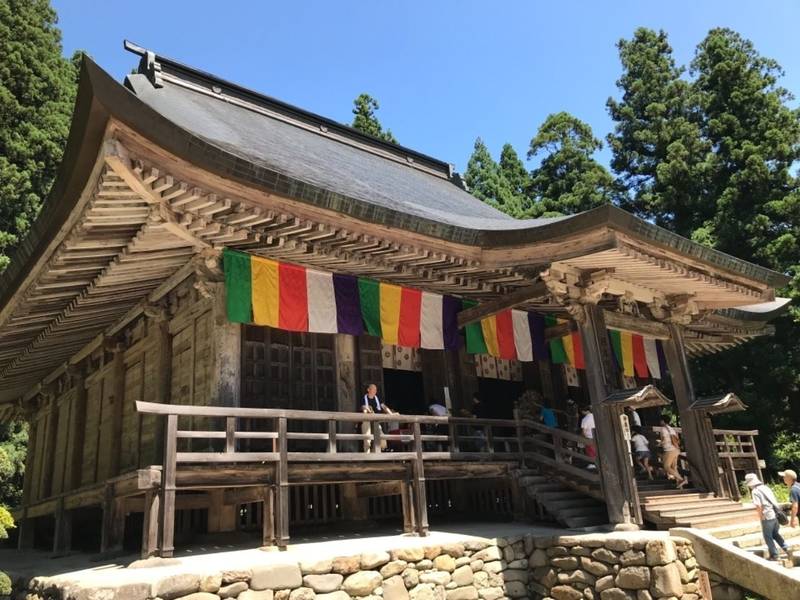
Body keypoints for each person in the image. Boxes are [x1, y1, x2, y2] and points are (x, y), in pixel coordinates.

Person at [745, 473, 792, 561]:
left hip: (767, 515)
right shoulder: (766, 488)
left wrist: (761, 516)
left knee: (768, 536)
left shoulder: (755, 491)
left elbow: (758, 506)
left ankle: (774, 555)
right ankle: (787, 549)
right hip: (775, 515)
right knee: (776, 534)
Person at [360, 383, 394, 452]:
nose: (375, 391)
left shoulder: (377, 398)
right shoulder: (364, 398)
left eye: (376, 389)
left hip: (376, 421)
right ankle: (367, 454)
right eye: (373, 389)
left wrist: (391, 414)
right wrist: (366, 409)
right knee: (367, 438)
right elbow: (363, 408)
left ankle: (375, 454)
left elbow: (384, 407)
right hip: (366, 420)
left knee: (381, 439)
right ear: (368, 390)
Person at [659, 413, 687, 489]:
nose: (660, 422)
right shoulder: (671, 429)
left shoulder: (663, 429)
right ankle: (679, 485)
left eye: (661, 420)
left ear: (663, 421)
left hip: (669, 449)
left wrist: (659, 443)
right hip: (676, 449)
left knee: (666, 467)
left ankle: (681, 480)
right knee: (674, 467)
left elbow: (664, 440)